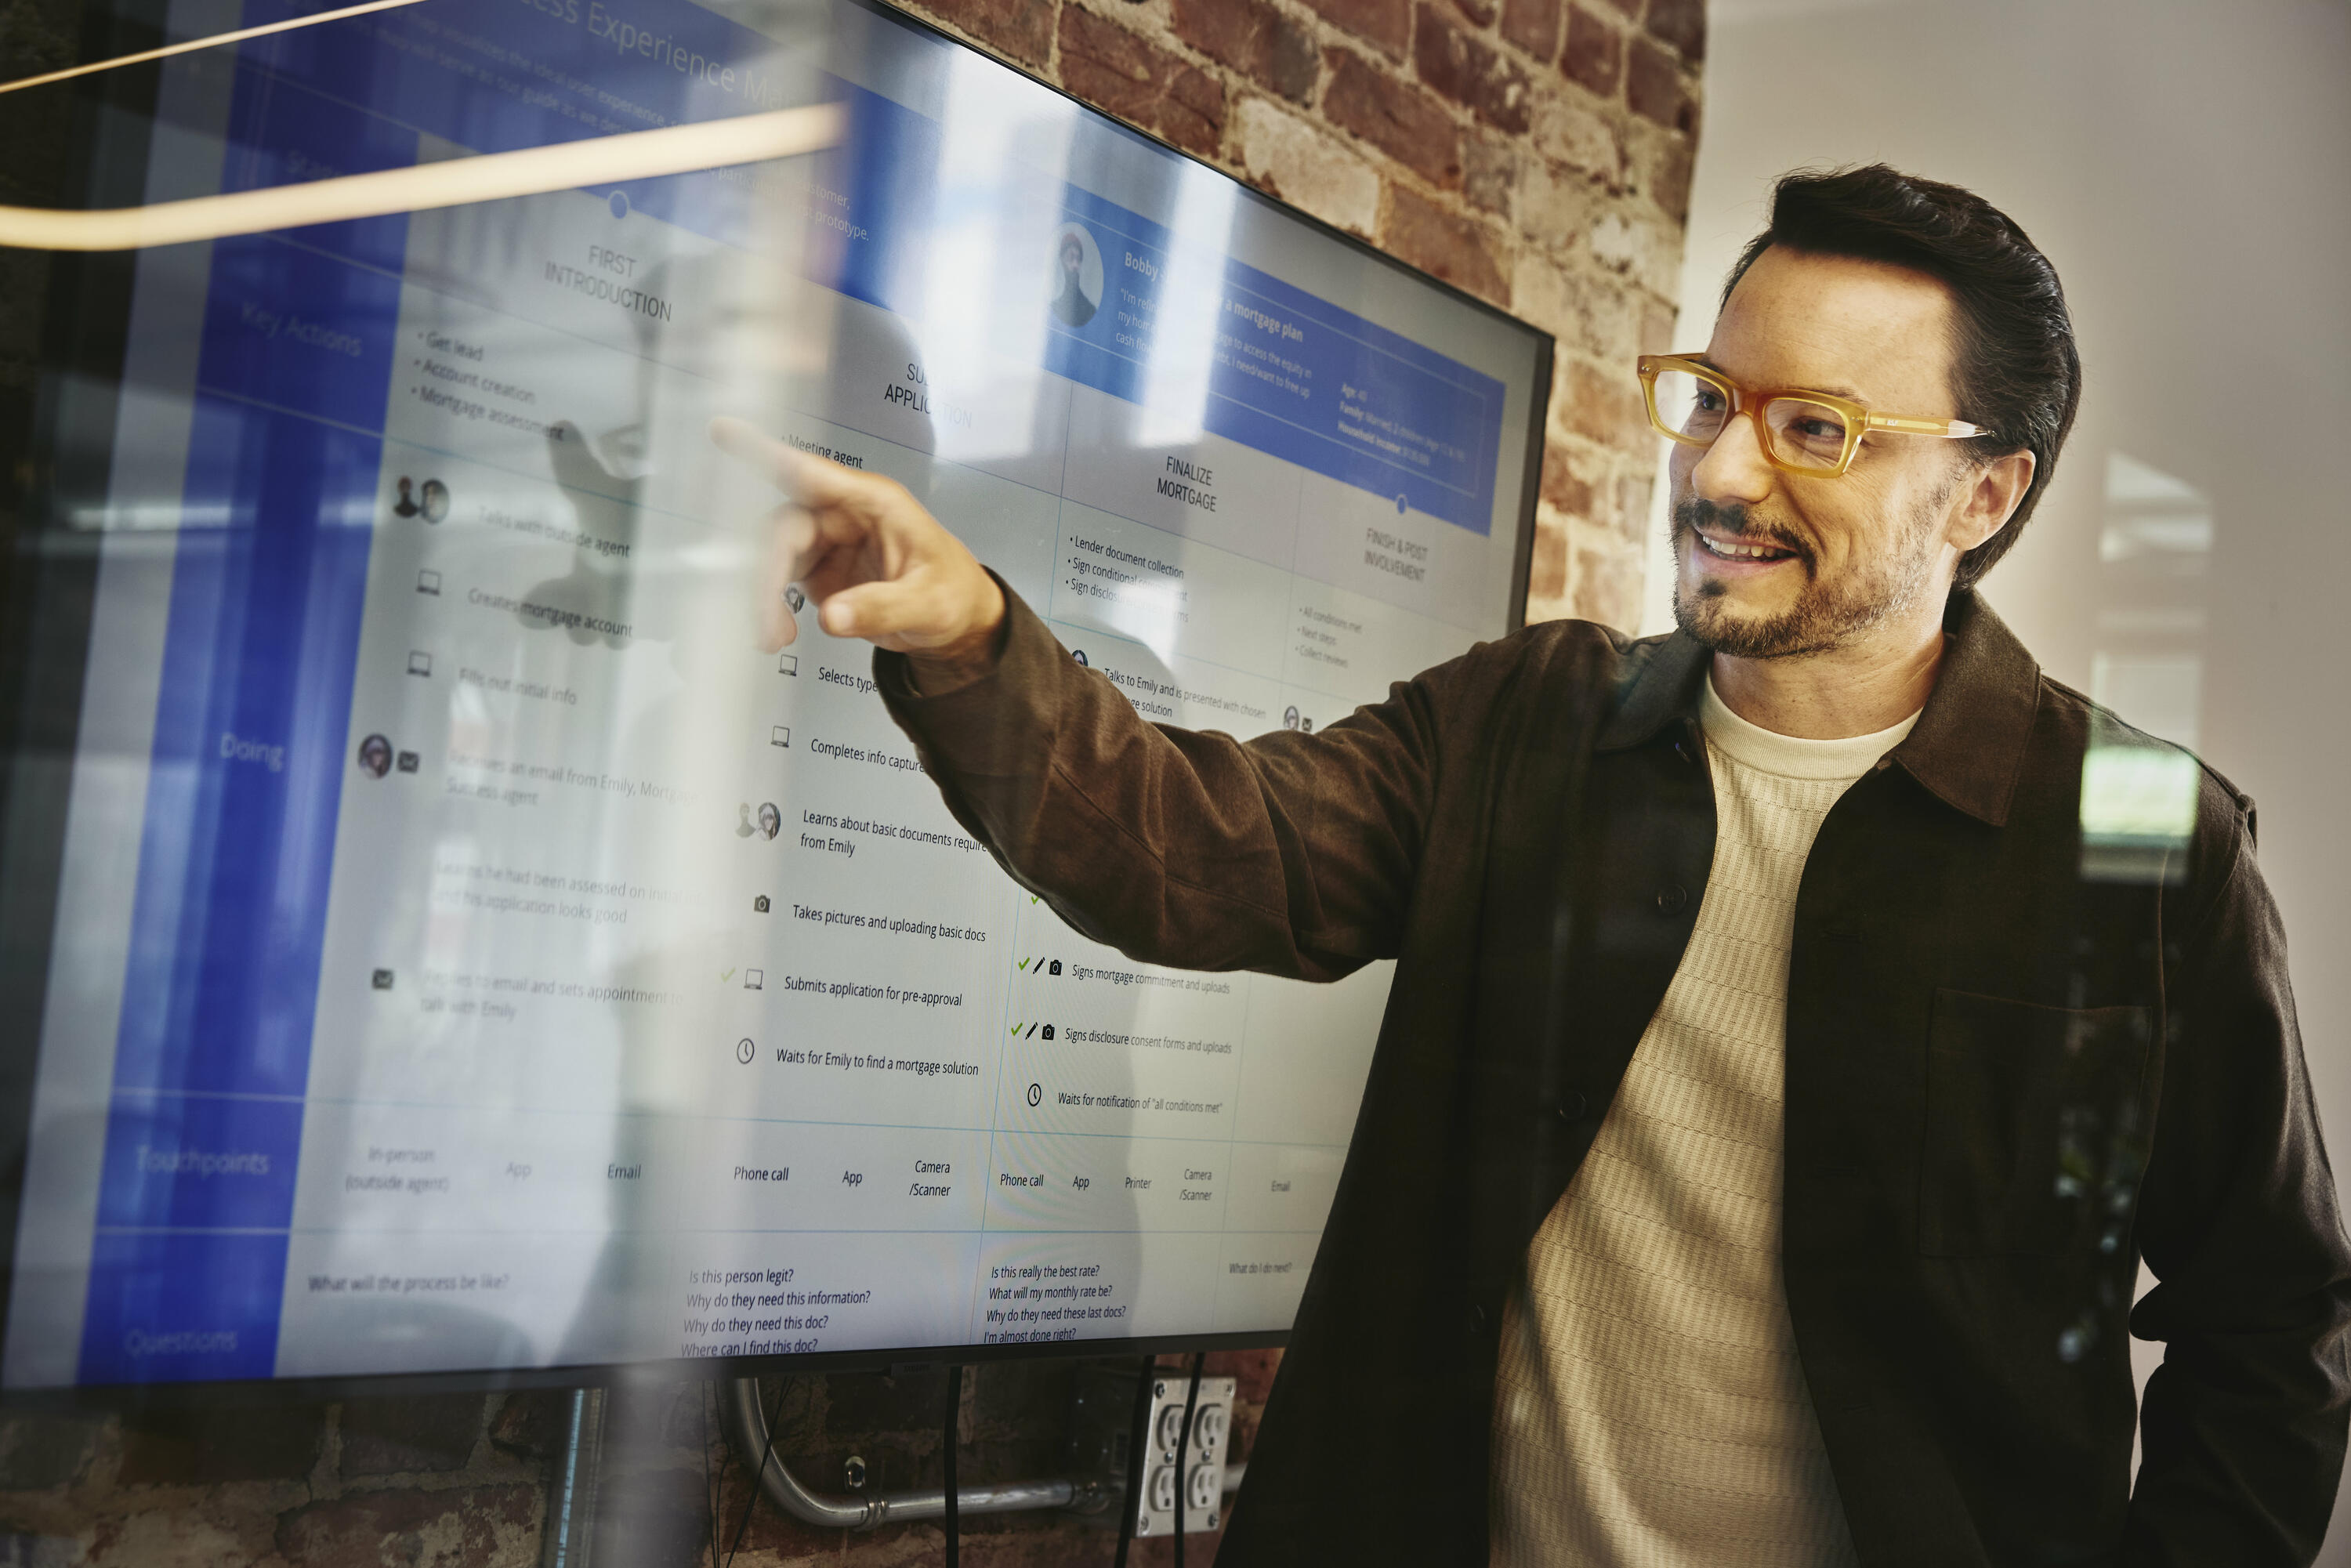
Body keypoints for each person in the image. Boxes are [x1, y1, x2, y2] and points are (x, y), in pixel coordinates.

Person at [712, 165, 2351, 1564]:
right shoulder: (1530, 722)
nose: (1722, 472)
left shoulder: (2149, 848)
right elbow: (1193, 848)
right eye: (1713, 399)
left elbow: (2274, 1328)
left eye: (1818, 428)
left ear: (1984, 492)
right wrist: (967, 630)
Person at [1050, 229, 1096, 328]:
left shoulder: (1089, 310)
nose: (1075, 265)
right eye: (1070, 258)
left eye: (1078, 259)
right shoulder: (1052, 307)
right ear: (1062, 260)